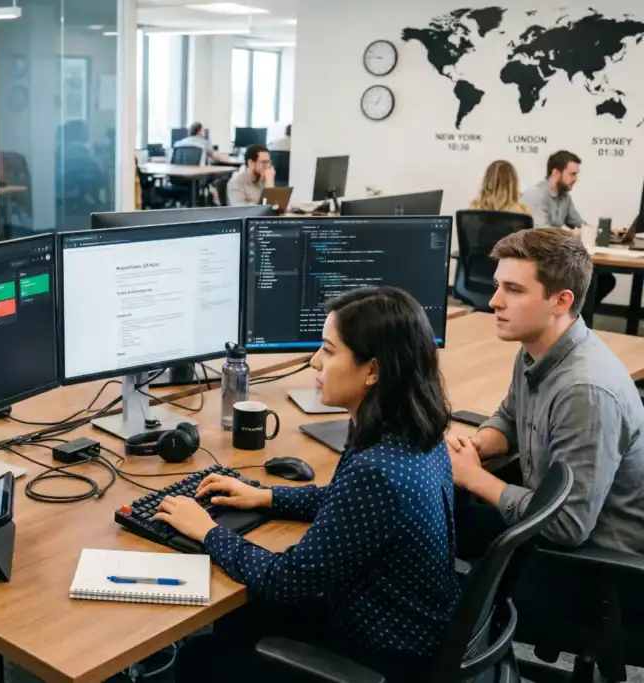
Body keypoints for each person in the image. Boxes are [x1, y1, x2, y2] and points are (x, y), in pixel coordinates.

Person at [160, 286, 460, 683]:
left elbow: (286, 581)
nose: (314, 362)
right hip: (408, 627)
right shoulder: (412, 429)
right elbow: (348, 504)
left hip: (379, 656)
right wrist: (266, 496)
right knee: (241, 617)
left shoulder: (378, 471)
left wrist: (207, 531)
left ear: (373, 371)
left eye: (329, 350)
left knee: (199, 659)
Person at [448, 228, 644, 620]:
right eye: (498, 285)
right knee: (440, 523)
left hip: (597, 573)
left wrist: (473, 478)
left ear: (561, 300)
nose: (494, 301)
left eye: (514, 290)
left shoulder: (585, 391)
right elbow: (510, 416)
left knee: (429, 573)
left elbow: (566, 526)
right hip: (551, 533)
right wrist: (476, 448)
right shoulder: (537, 349)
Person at [522, 151, 616, 307]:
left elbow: (578, 222)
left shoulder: (564, 196)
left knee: (605, 279)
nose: (576, 179)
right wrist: (574, 234)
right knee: (594, 280)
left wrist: (600, 231)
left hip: (557, 257)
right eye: (572, 174)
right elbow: (541, 232)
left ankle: (572, 315)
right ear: (556, 173)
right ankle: (570, 315)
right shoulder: (536, 195)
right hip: (540, 259)